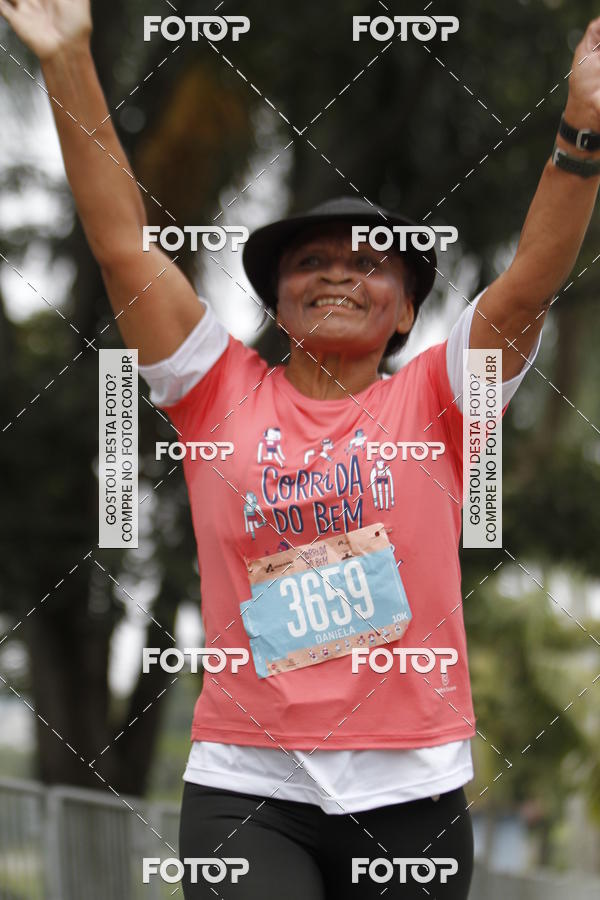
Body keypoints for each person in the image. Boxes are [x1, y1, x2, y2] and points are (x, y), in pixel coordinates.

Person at [3, 1, 600, 896]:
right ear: (278, 300)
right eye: (311, 260)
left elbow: (526, 287)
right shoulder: (215, 390)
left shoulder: (438, 400)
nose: (337, 273)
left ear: (405, 311)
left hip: (412, 787)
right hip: (247, 782)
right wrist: (68, 59)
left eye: (370, 263)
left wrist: (584, 129)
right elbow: (123, 247)